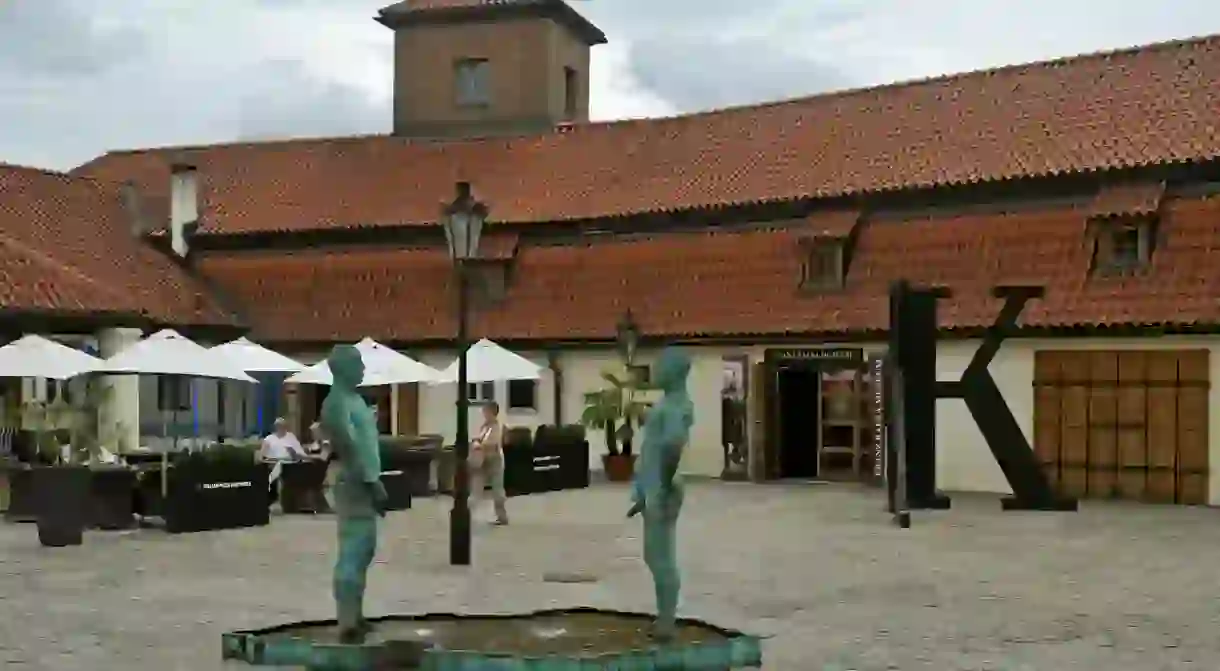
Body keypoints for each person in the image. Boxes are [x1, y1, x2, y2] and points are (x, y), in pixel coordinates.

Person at [320, 344, 387, 644]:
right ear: (342, 368)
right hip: (355, 481)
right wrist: (372, 482)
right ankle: (346, 621)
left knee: (364, 549)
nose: (362, 369)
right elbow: (348, 446)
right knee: (354, 547)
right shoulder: (335, 403)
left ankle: (355, 615)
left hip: (364, 481)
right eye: (357, 364)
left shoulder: (354, 399)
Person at [469, 401, 508, 526]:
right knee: (476, 487)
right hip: (482, 460)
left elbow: (491, 443)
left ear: (492, 412)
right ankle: (466, 514)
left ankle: (502, 517)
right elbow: (478, 438)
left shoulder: (497, 426)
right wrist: (476, 442)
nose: (484, 413)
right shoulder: (484, 426)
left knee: (497, 489)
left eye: (486, 411)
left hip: (494, 460)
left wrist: (479, 445)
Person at [261, 417, 306, 505]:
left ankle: (271, 485)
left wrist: (293, 452)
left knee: (280, 466)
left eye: (282, 426)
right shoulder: (269, 439)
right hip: (272, 462)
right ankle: (271, 489)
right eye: (278, 426)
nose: (280, 428)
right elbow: (263, 454)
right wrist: (268, 459)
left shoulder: (291, 437)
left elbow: (300, 453)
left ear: (286, 427)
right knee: (277, 466)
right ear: (275, 427)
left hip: (289, 463)